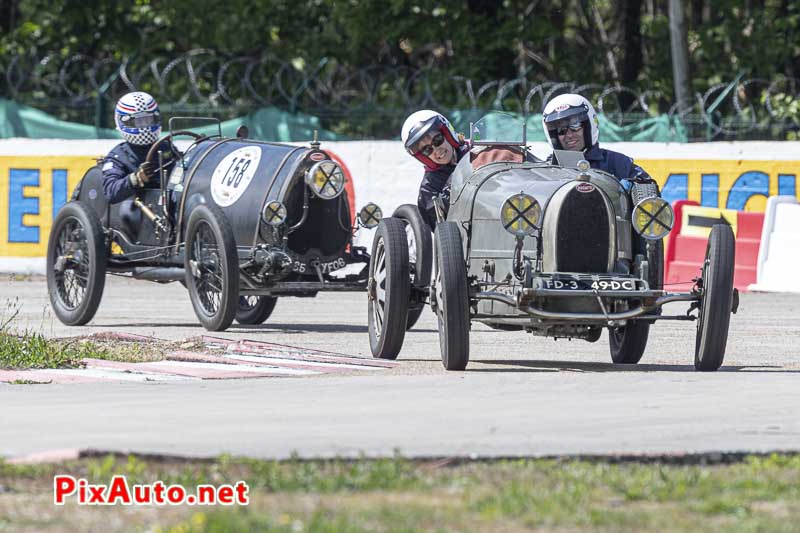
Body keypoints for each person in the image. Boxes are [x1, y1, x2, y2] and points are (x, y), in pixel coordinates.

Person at [542, 93, 652, 188]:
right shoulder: (545, 170)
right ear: (553, 136)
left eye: (575, 126)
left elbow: (651, 194)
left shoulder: (618, 163)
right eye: (561, 130)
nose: (569, 135)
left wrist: (633, 189)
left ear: (589, 126)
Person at [102, 91, 176, 203]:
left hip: (169, 203)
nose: (145, 127)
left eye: (148, 120)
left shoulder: (166, 147)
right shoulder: (118, 156)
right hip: (136, 210)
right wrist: (136, 179)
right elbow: (110, 192)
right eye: (139, 121)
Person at [401, 110, 469, 229]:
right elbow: (440, 231)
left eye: (437, 140)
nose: (436, 150)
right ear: (423, 156)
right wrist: (454, 183)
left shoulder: (476, 151)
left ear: (447, 134)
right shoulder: (428, 189)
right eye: (427, 150)